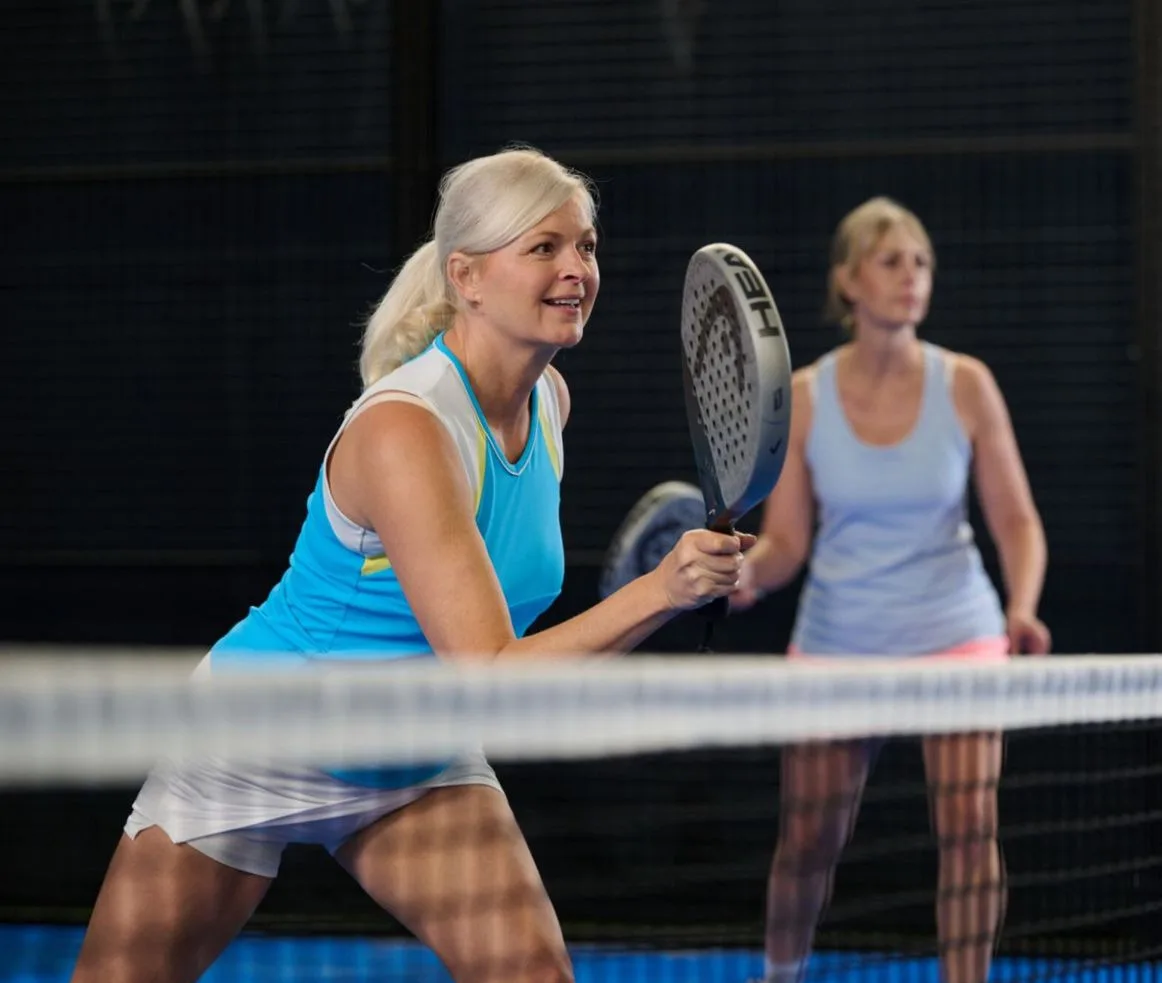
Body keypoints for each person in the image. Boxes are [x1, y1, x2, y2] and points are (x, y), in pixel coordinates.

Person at [70, 146, 753, 983]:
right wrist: (662, 589)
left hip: (414, 753)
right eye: (544, 247)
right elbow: (493, 673)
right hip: (261, 735)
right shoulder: (406, 428)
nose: (577, 268)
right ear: (465, 276)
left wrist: (667, 596)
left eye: (587, 246)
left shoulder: (549, 403)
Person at [731, 196, 1051, 983]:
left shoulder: (968, 384)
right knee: (807, 839)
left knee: (972, 829)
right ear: (849, 281)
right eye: (890, 261)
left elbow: (1017, 522)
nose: (911, 277)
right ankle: (779, 975)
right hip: (840, 643)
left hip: (959, 632)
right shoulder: (803, 396)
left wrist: (1021, 605)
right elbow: (786, 545)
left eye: (921, 263)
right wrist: (744, 579)